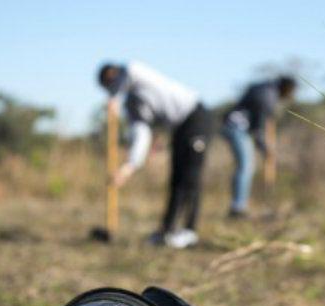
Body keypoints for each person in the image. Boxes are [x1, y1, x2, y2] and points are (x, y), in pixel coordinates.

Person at [98, 61, 212, 248]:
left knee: (191, 177)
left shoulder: (135, 72)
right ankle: (167, 231)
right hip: (180, 127)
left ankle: (190, 232)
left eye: (111, 84)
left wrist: (114, 97)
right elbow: (141, 134)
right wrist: (128, 168)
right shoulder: (133, 103)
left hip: (195, 116)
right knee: (176, 180)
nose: (111, 89)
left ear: (114, 74)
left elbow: (131, 70)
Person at [222, 76, 296, 217]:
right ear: (286, 88)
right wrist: (266, 149)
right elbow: (258, 130)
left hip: (238, 127)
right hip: (236, 127)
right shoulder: (267, 96)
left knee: (245, 166)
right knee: (246, 166)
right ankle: (237, 209)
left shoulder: (266, 89)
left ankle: (238, 206)